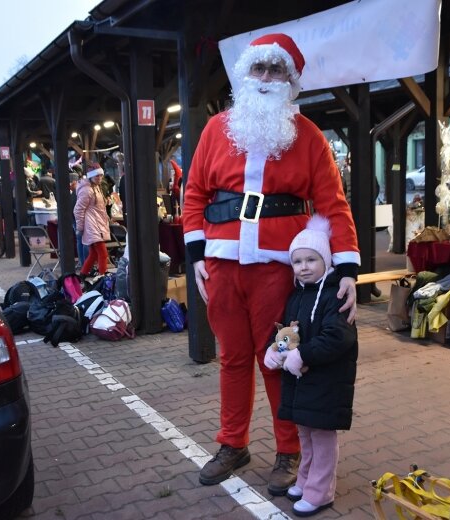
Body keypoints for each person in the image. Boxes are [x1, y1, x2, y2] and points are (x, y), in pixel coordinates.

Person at [181, 33, 360, 495]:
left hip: (279, 268)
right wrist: (198, 255)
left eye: (275, 70)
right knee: (232, 358)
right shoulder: (216, 129)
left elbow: (333, 206)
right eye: (258, 69)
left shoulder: (310, 138)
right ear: (245, 75)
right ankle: (232, 442)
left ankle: (289, 450)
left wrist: (346, 270)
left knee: (279, 358)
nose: (265, 79)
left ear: (291, 80)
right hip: (222, 264)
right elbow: (195, 193)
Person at [263, 215, 356, 517]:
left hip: (326, 382)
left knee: (322, 438)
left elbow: (338, 337)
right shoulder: (298, 295)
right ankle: (305, 480)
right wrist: (275, 350)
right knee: (305, 435)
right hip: (303, 384)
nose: (303, 266)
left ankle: (321, 492)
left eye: (311, 260)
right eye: (297, 261)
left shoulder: (334, 295)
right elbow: (288, 333)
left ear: (325, 260)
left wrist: (303, 355)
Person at [74, 163, 111, 278]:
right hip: (92, 226)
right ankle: (102, 279)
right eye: (97, 176)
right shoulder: (87, 190)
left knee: (94, 254)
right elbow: (78, 210)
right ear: (91, 176)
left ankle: (83, 276)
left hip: (96, 224)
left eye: (100, 176)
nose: (99, 178)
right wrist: (80, 227)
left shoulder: (95, 187)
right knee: (103, 254)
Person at [69, 172, 88, 268]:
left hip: (76, 220)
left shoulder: (76, 192)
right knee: (83, 241)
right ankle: (85, 263)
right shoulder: (80, 191)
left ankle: (82, 262)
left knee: (80, 241)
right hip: (80, 221)